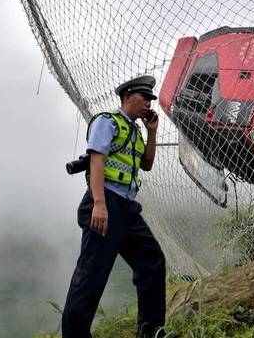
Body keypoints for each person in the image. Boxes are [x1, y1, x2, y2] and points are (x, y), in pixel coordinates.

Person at [62, 75, 166, 338]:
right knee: (91, 276)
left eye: (150, 99)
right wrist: (99, 203)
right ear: (128, 96)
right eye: (144, 97)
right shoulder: (106, 122)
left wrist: (152, 131)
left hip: (127, 208)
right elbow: (97, 160)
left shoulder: (135, 130)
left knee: (151, 261)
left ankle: (151, 330)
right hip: (105, 202)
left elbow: (147, 163)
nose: (148, 103)